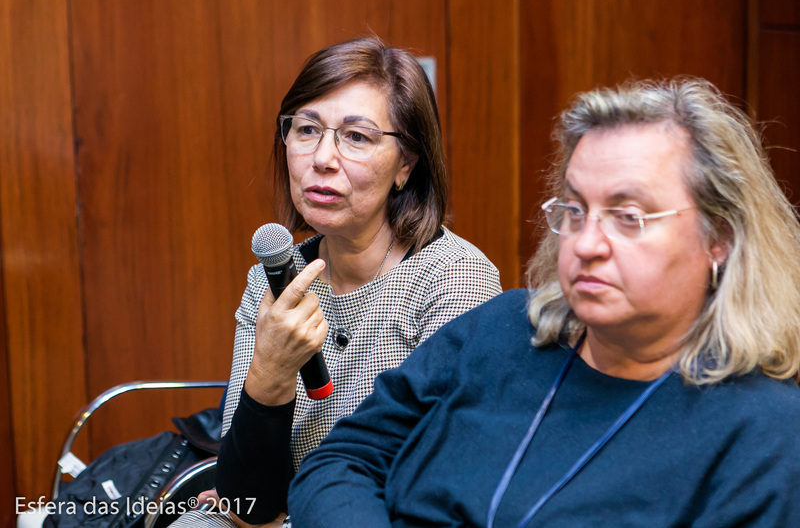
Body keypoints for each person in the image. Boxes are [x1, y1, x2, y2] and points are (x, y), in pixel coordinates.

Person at [288, 77, 800, 527]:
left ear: (720, 239)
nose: (587, 243)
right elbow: (340, 463)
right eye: (575, 210)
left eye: (628, 216)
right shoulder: (500, 328)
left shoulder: (764, 432)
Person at [168, 36, 501, 528]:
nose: (322, 158)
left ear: (406, 164)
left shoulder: (454, 279)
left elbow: (428, 486)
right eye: (306, 129)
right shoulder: (273, 279)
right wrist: (272, 371)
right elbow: (247, 502)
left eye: (356, 137)